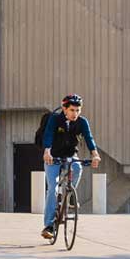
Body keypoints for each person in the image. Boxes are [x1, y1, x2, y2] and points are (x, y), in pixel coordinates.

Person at [39, 94, 100, 240]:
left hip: (70, 155)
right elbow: (47, 135)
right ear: (64, 109)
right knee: (52, 189)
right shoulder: (55, 119)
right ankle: (49, 226)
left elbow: (89, 138)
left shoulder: (82, 122)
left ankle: (70, 195)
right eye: (72, 110)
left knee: (78, 168)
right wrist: (47, 151)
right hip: (53, 156)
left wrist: (95, 154)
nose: (75, 114)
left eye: (78, 110)